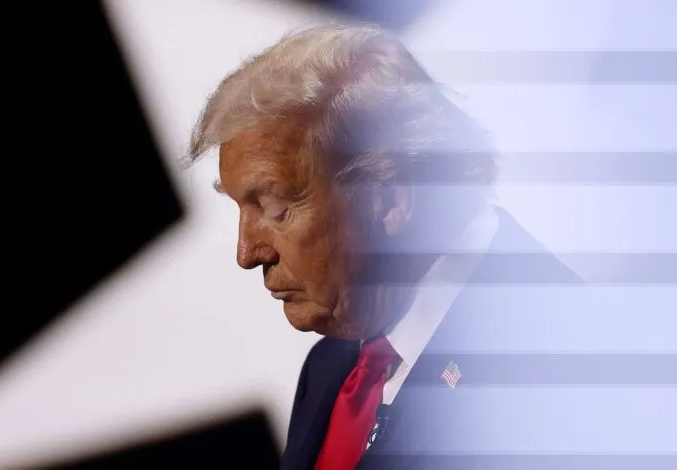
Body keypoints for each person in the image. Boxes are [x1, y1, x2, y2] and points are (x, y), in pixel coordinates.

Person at [185, 24, 581, 470]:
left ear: (390, 198)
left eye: (275, 209)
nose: (247, 253)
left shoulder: (569, 365)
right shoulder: (330, 368)